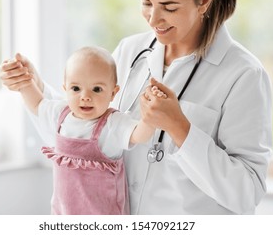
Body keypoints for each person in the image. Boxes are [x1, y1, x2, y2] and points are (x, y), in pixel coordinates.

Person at [0, 0, 272, 215]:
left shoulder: (244, 75)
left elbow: (247, 192)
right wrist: (31, 84)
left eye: (169, 7)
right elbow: (82, 131)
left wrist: (180, 128)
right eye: (146, 2)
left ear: (205, 0)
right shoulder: (131, 51)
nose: (153, 19)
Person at [10, 46, 166, 215]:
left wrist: (150, 117)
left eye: (97, 89)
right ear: (65, 89)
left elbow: (139, 135)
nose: (85, 96)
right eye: (76, 89)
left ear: (113, 93)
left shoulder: (112, 123)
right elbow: (36, 104)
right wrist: (24, 81)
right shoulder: (60, 114)